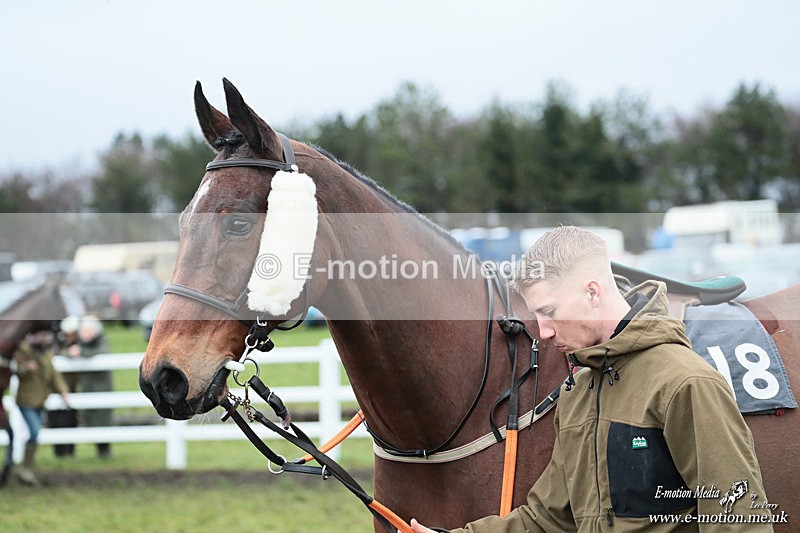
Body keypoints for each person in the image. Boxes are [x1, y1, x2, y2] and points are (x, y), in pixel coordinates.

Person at [411, 226, 771, 532]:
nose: (544, 332)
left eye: (550, 312)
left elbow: (738, 518)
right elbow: (547, 519)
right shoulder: (577, 394)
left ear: (593, 292)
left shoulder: (685, 383)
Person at [13, 329, 71, 486]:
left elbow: (54, 375)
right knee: (34, 431)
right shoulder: (24, 350)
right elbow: (16, 370)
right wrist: (26, 367)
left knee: (35, 433)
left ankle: (27, 467)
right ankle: (25, 468)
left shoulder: (47, 353)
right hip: (26, 400)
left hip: (40, 400)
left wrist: (63, 392)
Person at [72, 315, 114, 458]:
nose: (85, 334)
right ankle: (99, 449)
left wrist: (81, 353)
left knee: (103, 419)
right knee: (89, 418)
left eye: (88, 331)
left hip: (102, 388)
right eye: (83, 331)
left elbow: (102, 352)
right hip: (87, 387)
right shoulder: (79, 343)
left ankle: (105, 451)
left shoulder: (101, 341)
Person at [49, 315, 82, 458]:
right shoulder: (58, 341)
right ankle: (58, 451)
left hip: (71, 387)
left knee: (71, 418)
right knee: (55, 418)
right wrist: (68, 353)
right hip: (56, 388)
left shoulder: (79, 341)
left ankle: (69, 451)